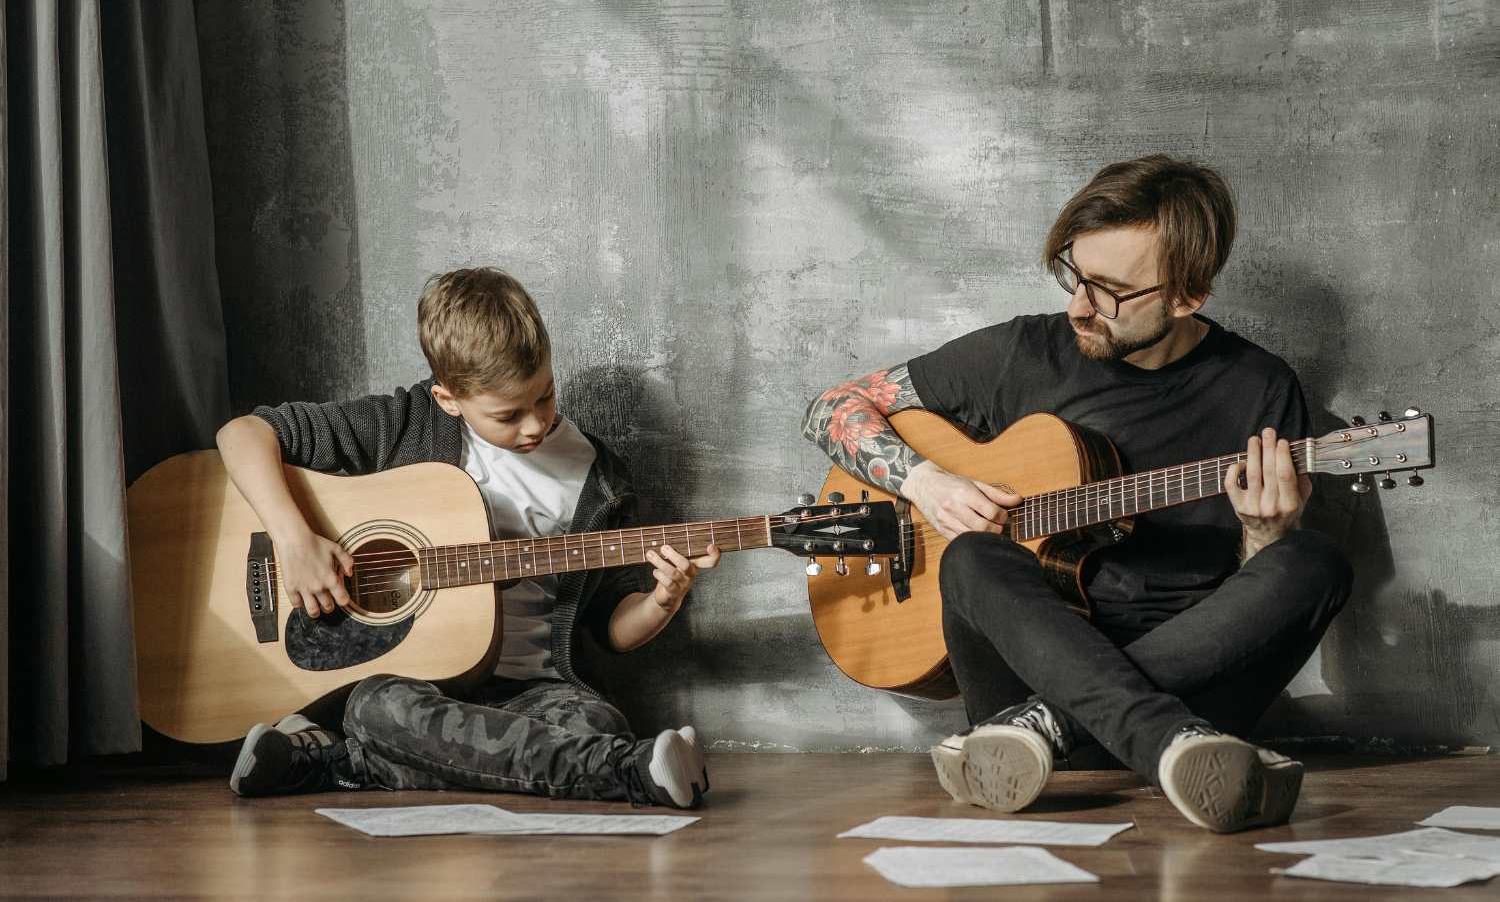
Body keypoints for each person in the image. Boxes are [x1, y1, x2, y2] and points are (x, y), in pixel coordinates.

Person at [802, 155, 1351, 833]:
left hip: (1186, 690)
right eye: (1075, 274)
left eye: (1111, 291)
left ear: (1188, 296)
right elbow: (830, 407)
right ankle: (1156, 740)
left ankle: (1058, 724)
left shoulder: (1261, 388)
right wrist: (926, 480)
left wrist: (1267, 535)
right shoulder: (1024, 352)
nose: (1078, 306)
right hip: (1033, 673)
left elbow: (1254, 602)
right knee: (969, 556)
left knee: (1313, 563)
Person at [216, 267, 716, 808]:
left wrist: (662, 600)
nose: (534, 426)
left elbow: (612, 629)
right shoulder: (404, 423)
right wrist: (294, 540)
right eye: (507, 414)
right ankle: (629, 772)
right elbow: (243, 434)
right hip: (417, 689)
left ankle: (337, 762)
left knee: (595, 719)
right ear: (448, 398)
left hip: (536, 693)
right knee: (377, 705)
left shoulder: (601, 480)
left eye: (545, 396)